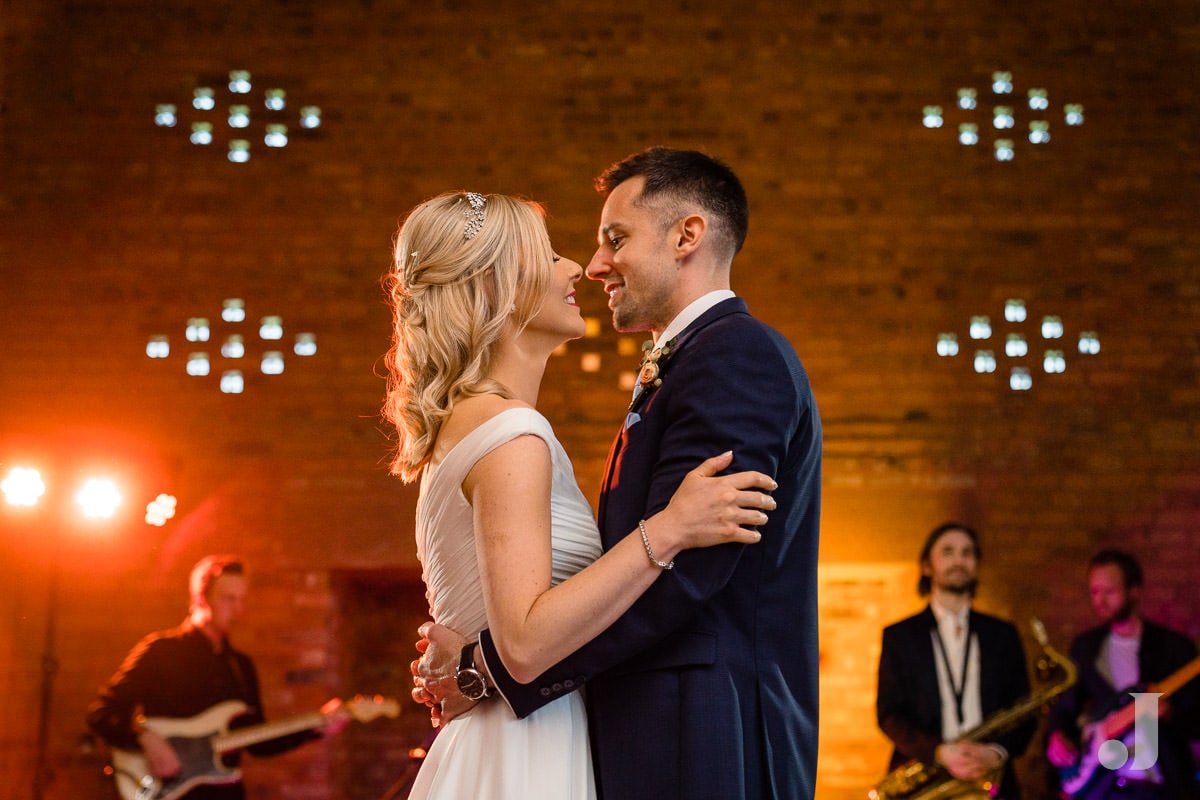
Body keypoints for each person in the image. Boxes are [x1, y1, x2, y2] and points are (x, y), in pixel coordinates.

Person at [414, 147, 823, 800]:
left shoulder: (735, 355)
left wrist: (484, 668)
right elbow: (636, 562)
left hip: (707, 733)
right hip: (632, 737)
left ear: (687, 235)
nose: (591, 262)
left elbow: (691, 576)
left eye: (616, 238)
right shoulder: (526, 423)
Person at [87, 555, 347, 800]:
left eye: (242, 599)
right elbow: (102, 713)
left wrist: (315, 728)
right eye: (228, 599)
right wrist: (145, 739)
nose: (238, 609)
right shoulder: (160, 651)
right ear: (201, 599)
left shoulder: (240, 666)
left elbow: (258, 742)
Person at [875, 522, 1037, 800]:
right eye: (948, 552)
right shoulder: (899, 636)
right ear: (927, 566)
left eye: (967, 553)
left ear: (976, 564)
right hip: (924, 779)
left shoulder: (1004, 634)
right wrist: (939, 751)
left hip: (991, 779)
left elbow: (1024, 708)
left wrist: (997, 752)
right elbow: (889, 713)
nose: (958, 560)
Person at [1045, 548, 1200, 800]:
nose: (1100, 600)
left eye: (1109, 591)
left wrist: (1171, 713)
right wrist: (1057, 736)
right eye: (1094, 591)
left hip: (1159, 785)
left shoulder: (1174, 647)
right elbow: (1065, 707)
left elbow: (1196, 719)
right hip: (1103, 785)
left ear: (1134, 590)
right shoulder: (1086, 648)